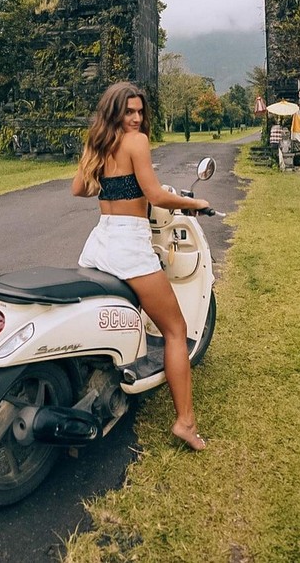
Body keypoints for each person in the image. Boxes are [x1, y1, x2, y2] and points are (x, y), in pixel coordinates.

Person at [71, 81, 210, 451]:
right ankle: (185, 422)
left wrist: (104, 173)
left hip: (99, 243)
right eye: (128, 112)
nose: (136, 118)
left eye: (139, 112)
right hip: (129, 245)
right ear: (115, 111)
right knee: (176, 328)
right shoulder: (137, 142)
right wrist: (194, 204)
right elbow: (156, 195)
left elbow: (80, 189)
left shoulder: (98, 143)